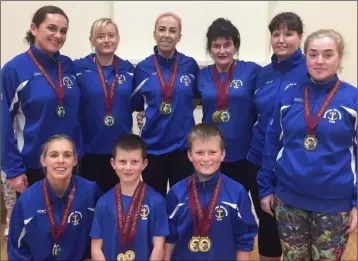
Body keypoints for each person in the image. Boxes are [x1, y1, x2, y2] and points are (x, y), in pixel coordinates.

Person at [258, 29, 357, 261]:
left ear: (339, 57)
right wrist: (265, 188)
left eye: (327, 54)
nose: (319, 61)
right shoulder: (288, 95)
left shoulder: (352, 99)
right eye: (313, 54)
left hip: (334, 204)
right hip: (289, 201)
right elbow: (272, 144)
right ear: (305, 57)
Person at [1, 5, 83, 194]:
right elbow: (3, 124)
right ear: (34, 28)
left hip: (70, 165)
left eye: (63, 31)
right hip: (32, 167)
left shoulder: (68, 66)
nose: (58, 35)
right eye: (52, 28)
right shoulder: (14, 70)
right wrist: (13, 170)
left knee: (68, 221)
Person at [246, 12, 307, 260]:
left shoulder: (310, 71)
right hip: (259, 161)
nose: (282, 39)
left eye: (289, 33)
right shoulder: (263, 74)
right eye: (276, 34)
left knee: (296, 231)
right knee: (268, 223)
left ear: (300, 37)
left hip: (294, 165)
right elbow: (253, 115)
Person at [165, 123, 258, 261]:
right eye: (199, 153)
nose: (206, 159)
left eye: (212, 152)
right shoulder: (176, 193)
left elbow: (244, 240)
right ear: (190, 155)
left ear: (222, 154)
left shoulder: (237, 192)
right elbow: (169, 237)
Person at [131, 12, 199, 197]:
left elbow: (195, 98)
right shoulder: (142, 68)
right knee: (155, 204)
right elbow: (138, 105)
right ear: (154, 34)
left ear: (179, 36)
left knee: (182, 203)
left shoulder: (190, 65)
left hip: (183, 149)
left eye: (172, 31)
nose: (166, 35)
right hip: (153, 149)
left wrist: (180, 112)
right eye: (162, 30)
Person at [7, 135, 102, 260]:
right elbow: (16, 250)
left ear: (75, 160)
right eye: (53, 155)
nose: (60, 160)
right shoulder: (26, 201)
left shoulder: (91, 192)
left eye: (67, 155)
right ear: (43, 161)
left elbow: (103, 235)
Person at [74, 18, 135, 193]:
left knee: (118, 204)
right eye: (100, 36)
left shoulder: (128, 69)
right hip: (88, 151)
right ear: (91, 40)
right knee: (89, 203)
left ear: (118, 38)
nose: (106, 40)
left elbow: (139, 101)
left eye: (111, 35)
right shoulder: (77, 68)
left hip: (121, 153)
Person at [90, 134, 169, 261]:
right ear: (113, 163)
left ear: (144, 164)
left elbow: (159, 246)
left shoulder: (156, 201)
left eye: (134, 162)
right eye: (122, 162)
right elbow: (96, 247)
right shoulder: (103, 202)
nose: (128, 168)